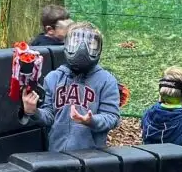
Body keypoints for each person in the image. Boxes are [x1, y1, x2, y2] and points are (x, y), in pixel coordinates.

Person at [20, 21, 120, 151]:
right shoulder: (53, 78)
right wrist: (33, 111)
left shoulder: (106, 80)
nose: (82, 48)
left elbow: (112, 117)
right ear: (67, 44)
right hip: (57, 154)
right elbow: (49, 116)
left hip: (92, 157)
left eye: (91, 44)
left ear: (99, 48)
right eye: (76, 42)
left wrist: (91, 120)